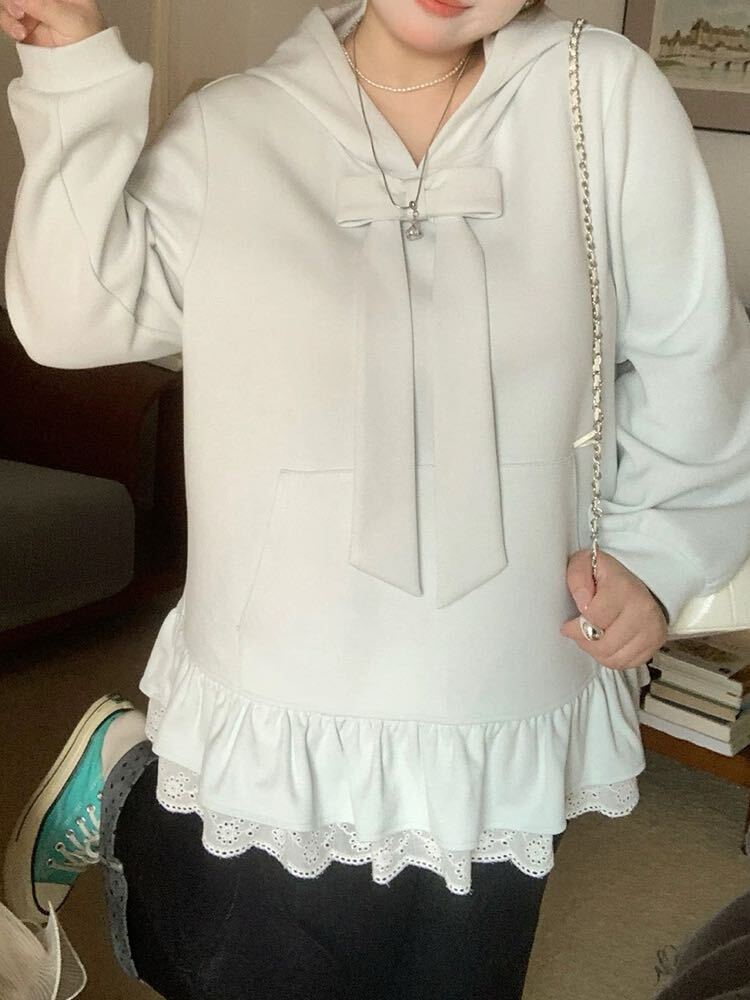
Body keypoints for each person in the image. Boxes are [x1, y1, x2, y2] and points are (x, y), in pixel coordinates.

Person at [2, 0, 750, 996]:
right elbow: (72, 316)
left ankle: (131, 786)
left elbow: (693, 359)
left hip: (504, 674)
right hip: (282, 676)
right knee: (249, 961)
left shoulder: (598, 96)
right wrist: (71, 73)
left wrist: (660, 560)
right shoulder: (237, 121)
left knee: (455, 969)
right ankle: (131, 791)